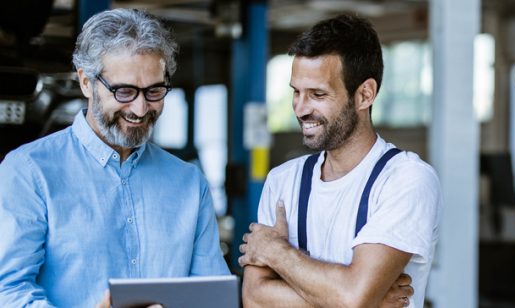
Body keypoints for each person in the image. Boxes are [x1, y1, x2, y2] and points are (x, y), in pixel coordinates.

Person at [0, 8, 230, 307]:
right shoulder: (29, 172)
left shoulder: (188, 183)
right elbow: (8, 289)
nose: (139, 108)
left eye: (155, 91)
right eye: (124, 91)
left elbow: (210, 296)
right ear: (86, 82)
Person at [239, 14, 441, 308]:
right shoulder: (283, 181)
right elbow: (254, 298)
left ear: (365, 94)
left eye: (317, 94)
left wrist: (277, 253)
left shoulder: (406, 179)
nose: (300, 108)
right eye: (296, 92)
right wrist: (360, 298)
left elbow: (353, 297)